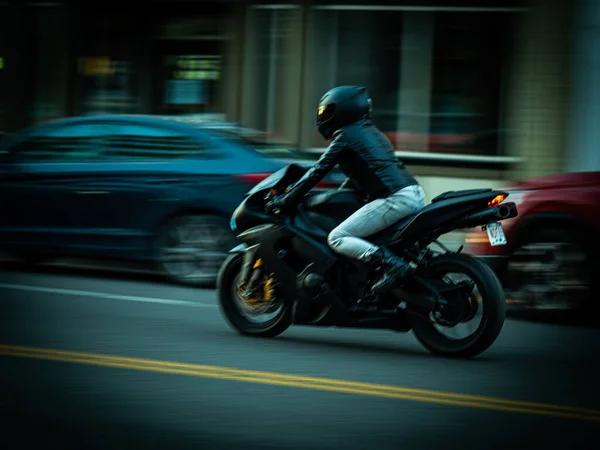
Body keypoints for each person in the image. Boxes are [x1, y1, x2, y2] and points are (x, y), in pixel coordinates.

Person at [270, 85, 426, 294]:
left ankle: (391, 265)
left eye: (326, 111)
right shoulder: (372, 133)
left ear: (340, 111)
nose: (323, 116)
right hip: (413, 193)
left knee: (337, 238)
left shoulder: (346, 135)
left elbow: (318, 170)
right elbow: (360, 176)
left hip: (395, 199)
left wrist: (286, 199)